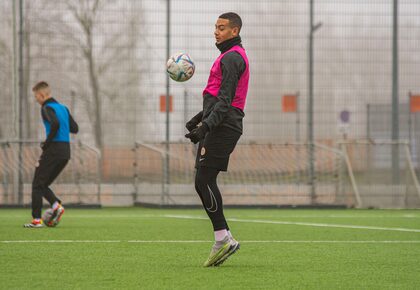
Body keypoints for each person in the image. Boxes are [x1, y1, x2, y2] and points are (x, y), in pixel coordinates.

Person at [185, 12, 249, 267]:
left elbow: (226, 101)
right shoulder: (228, 56)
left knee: (203, 180)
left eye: (222, 28)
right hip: (220, 122)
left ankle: (223, 237)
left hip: (225, 124)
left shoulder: (232, 58)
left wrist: (206, 126)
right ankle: (222, 236)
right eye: (216, 27)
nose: (216, 31)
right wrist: (199, 118)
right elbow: (218, 97)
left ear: (234, 31)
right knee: (204, 179)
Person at [24, 81, 79, 228]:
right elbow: (75, 128)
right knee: (43, 184)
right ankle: (56, 206)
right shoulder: (64, 108)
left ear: (42, 95)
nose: (36, 100)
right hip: (65, 152)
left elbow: (54, 124)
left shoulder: (46, 107)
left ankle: (36, 220)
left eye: (36, 97)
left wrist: (46, 143)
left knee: (37, 184)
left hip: (53, 150)